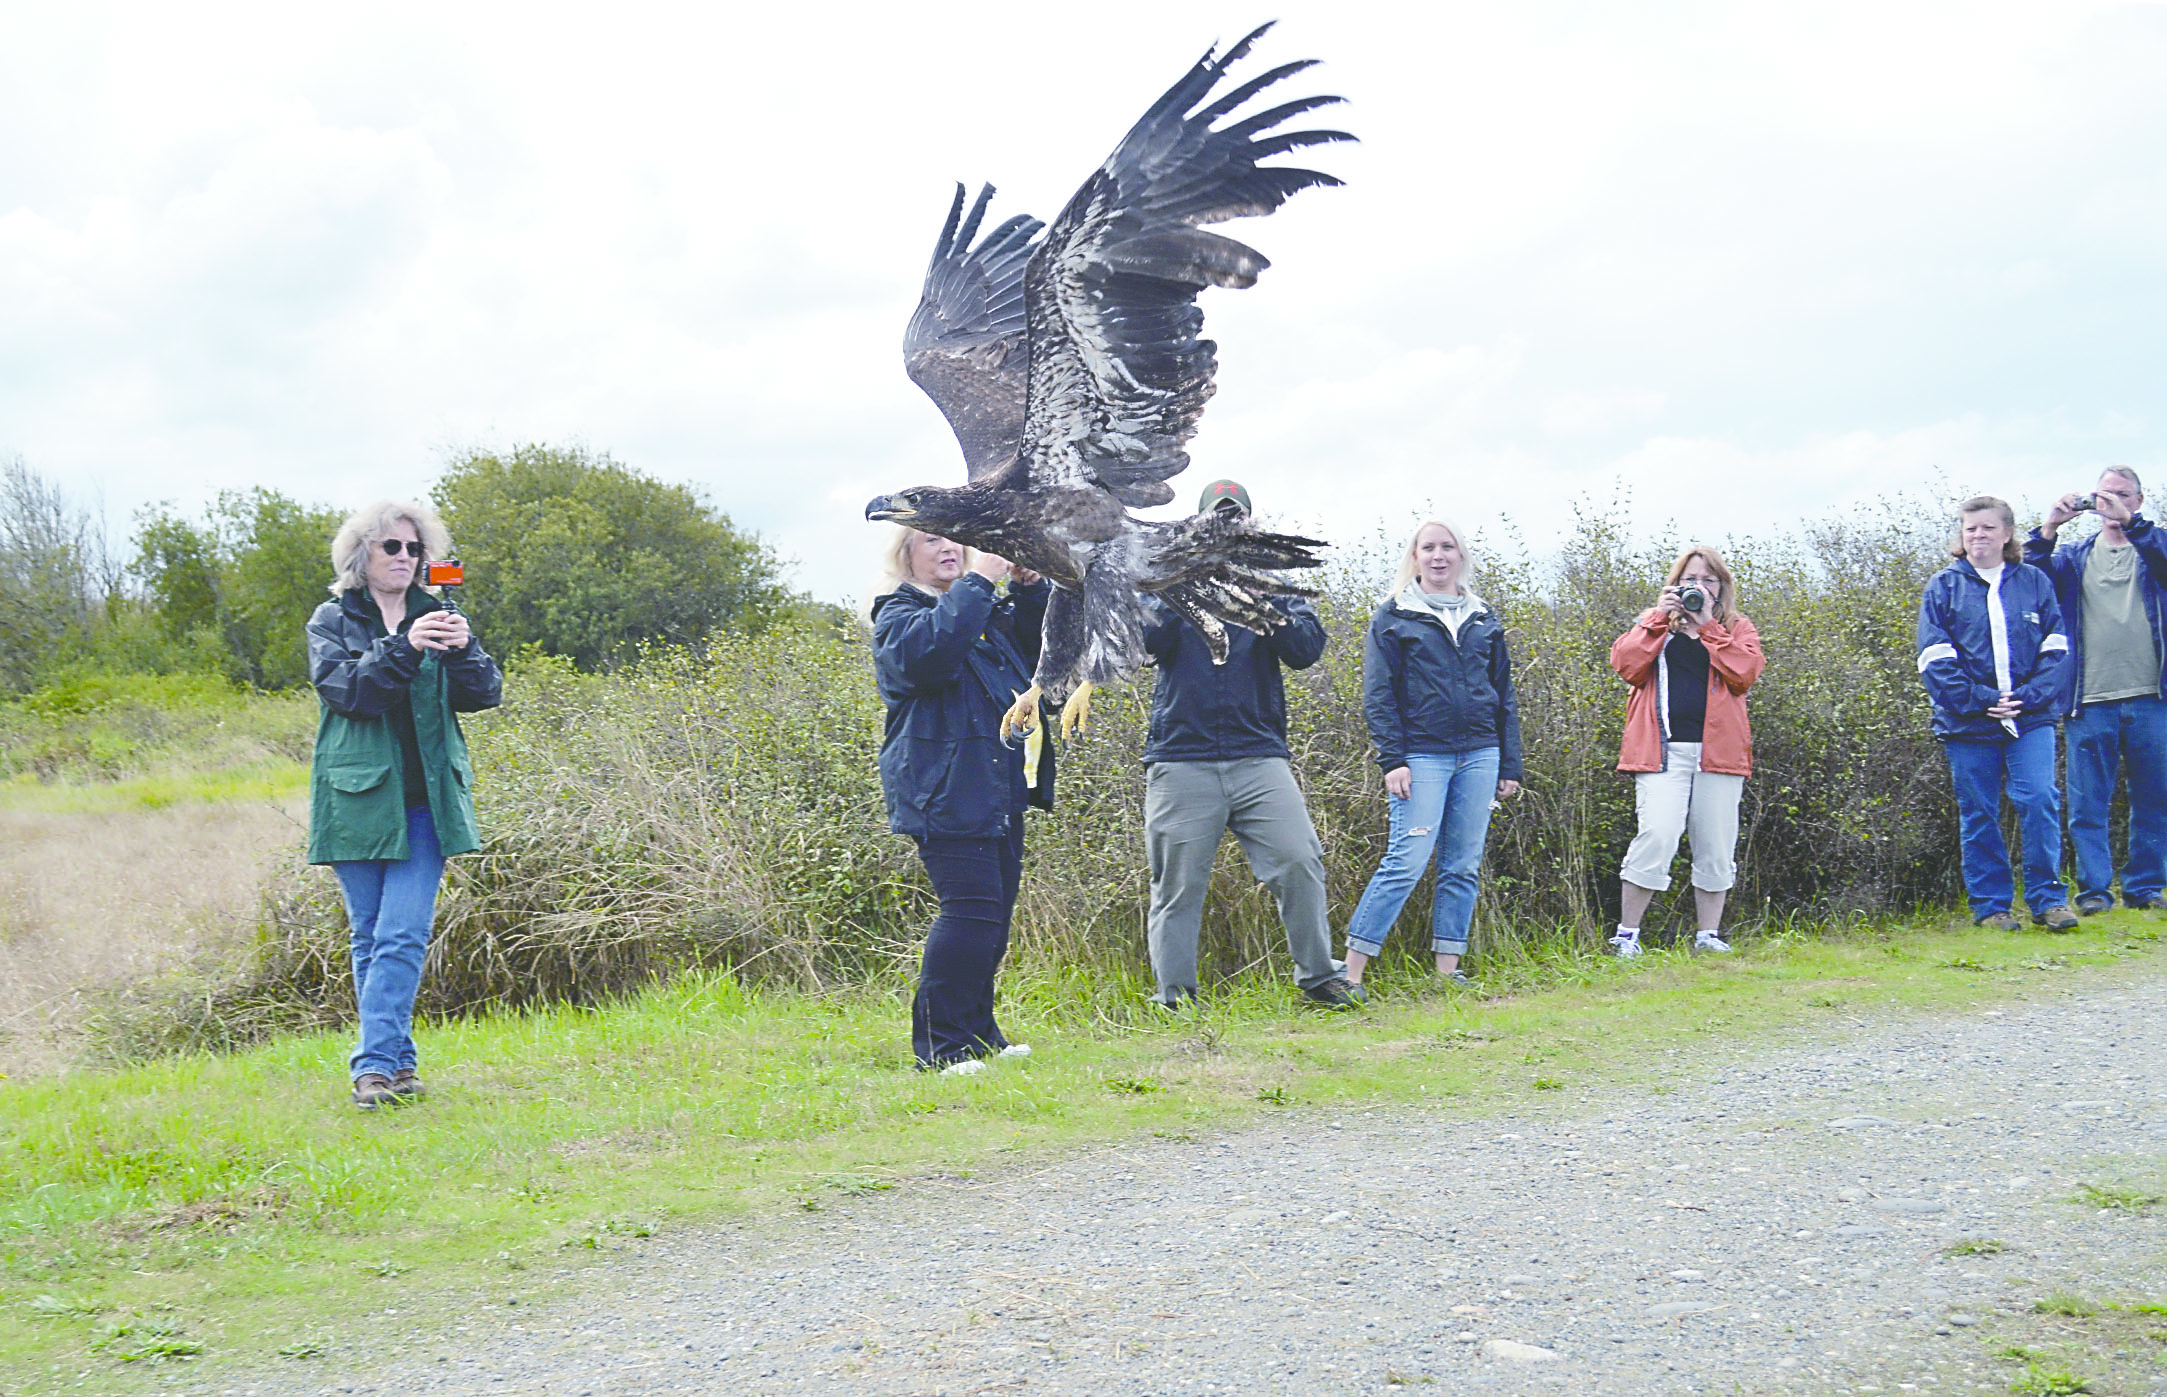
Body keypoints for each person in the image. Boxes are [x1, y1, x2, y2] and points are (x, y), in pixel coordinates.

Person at [307, 500, 502, 1109]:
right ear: (360, 554)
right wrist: (404, 648)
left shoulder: (439, 612)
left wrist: (464, 649)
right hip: (356, 798)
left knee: (400, 935)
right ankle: (399, 1064)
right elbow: (348, 693)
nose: (405, 558)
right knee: (368, 936)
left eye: (415, 548)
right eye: (392, 546)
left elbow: (484, 694)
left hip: (425, 802)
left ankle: (370, 1069)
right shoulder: (332, 618)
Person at [1139, 480, 1359, 1011]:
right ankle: (1175, 998)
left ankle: (1319, 978)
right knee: (1177, 886)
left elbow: (1306, 652)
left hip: (1258, 759)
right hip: (1182, 760)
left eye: (1236, 520)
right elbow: (1146, 644)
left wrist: (1266, 600)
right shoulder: (1166, 583)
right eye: (1217, 520)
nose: (1227, 528)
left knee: (1299, 860)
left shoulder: (1278, 585)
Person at [869, 526, 1055, 1072]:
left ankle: (980, 1034)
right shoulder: (898, 616)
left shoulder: (979, 613)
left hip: (997, 785)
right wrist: (980, 582)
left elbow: (1039, 653)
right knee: (968, 914)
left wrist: (1028, 588)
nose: (948, 548)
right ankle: (941, 1047)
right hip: (943, 789)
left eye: (955, 541)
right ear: (906, 556)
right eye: (931, 541)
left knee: (992, 918)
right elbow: (929, 659)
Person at [1342, 518, 1523, 993]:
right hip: (1421, 757)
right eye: (1429, 548)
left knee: (1462, 864)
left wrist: (1510, 764)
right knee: (1405, 861)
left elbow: (1504, 694)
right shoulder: (1394, 616)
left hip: (1481, 754)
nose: (1438, 556)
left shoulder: (1485, 618)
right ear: (1415, 557)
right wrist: (1392, 759)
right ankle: (1351, 973)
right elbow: (1378, 696)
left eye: (1447, 547)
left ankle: (1447, 973)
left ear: (1461, 556)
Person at [1918, 495, 2076, 931]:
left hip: (2030, 718)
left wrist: (2027, 696)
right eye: (1970, 529)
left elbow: (2057, 648)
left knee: (2041, 799)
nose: (1978, 536)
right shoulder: (1943, 587)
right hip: (1968, 723)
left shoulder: (2034, 582)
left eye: (1987, 528)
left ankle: (2049, 901)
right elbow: (1933, 658)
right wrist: (1981, 699)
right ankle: (1992, 909)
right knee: (1979, 814)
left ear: (2007, 534)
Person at [1609, 546, 1765, 957]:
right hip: (1660, 753)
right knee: (1656, 835)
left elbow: (1745, 674)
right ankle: (1627, 936)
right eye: (1690, 580)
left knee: (1716, 844)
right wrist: (1659, 620)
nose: (1699, 587)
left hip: (1720, 754)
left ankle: (1707, 936)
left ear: (1722, 586)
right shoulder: (1652, 624)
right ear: (1674, 584)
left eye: (1708, 580)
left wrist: (1709, 627)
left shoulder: (1737, 627)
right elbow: (1625, 664)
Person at [2025, 467, 2167, 913]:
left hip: (2152, 697)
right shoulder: (2074, 556)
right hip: (2088, 700)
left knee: (2155, 801)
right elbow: (2032, 581)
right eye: (2104, 495)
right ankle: (2094, 893)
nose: (2112, 503)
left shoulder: (2153, 548)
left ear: (2139, 501)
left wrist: (2134, 526)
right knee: (2088, 807)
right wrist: (2049, 528)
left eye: (2123, 495)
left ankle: (2144, 888)